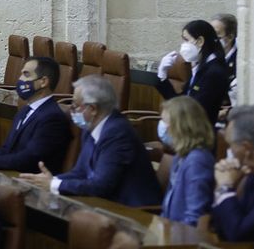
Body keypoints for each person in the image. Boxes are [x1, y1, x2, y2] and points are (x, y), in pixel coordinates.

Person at [20, 74, 162, 207]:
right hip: (106, 204)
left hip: (133, 212)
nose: (72, 110)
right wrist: (48, 181)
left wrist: (53, 185)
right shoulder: (90, 128)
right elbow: (80, 172)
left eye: (75, 105)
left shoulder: (118, 133)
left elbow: (101, 186)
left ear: (93, 109)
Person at [0, 56, 72, 173]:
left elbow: (29, 159)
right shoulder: (25, 110)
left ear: (43, 82)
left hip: (32, 182)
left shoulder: (52, 117)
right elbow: (7, 149)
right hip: (15, 173)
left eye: (26, 74)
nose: (20, 79)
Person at [155, 19, 232, 126]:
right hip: (189, 130)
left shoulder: (213, 72)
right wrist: (162, 75)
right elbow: (181, 100)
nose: (183, 45)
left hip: (199, 134)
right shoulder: (201, 68)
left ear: (200, 41)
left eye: (186, 40)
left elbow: (196, 110)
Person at [212, 105, 254, 245]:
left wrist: (224, 188)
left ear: (247, 148)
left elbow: (240, 235)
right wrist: (230, 186)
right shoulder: (253, 174)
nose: (229, 150)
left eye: (231, 145)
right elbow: (223, 229)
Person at [159, 96, 215, 226]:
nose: (164, 128)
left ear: (181, 126)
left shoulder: (198, 161)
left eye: (165, 122)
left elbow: (195, 216)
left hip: (183, 238)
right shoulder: (181, 156)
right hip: (170, 230)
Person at [214, 12, 239, 105]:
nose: (211, 39)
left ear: (230, 37)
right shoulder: (210, 57)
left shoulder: (238, 61)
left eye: (216, 35)